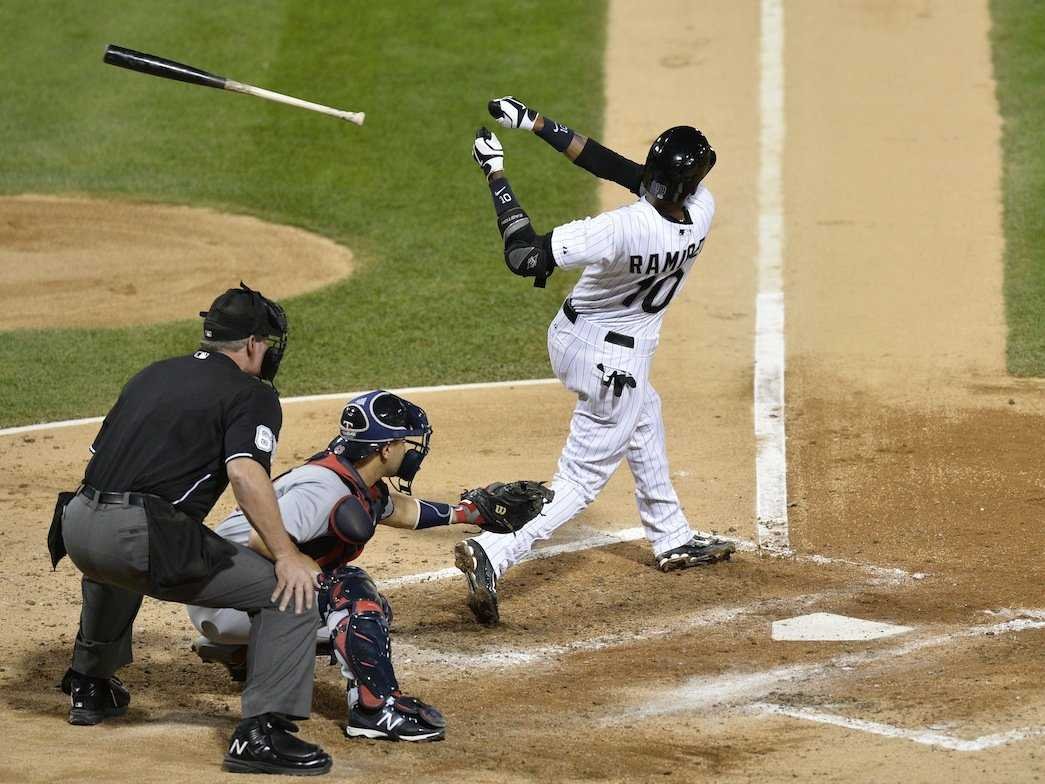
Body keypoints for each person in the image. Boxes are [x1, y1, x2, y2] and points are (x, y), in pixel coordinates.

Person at [457, 96, 736, 626]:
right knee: (582, 479)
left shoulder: (620, 228)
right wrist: (537, 123)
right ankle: (495, 551)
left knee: (644, 415)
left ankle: (672, 536)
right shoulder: (702, 211)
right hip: (614, 361)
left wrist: (495, 172)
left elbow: (525, 256)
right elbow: (617, 168)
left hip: (576, 340)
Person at [50, 283, 332, 776]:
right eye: (266, 343)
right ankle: (263, 732)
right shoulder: (252, 394)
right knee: (290, 592)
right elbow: (245, 473)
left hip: (76, 527)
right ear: (252, 344)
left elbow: (101, 457)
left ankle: (88, 683)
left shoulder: (153, 373)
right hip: (134, 538)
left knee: (118, 563)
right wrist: (286, 554)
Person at [186, 390, 542, 742]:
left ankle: (245, 652)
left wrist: (466, 513)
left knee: (368, 607)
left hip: (236, 594)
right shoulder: (323, 489)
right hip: (227, 600)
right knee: (352, 596)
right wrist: (311, 571)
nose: (411, 450)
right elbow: (261, 540)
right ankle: (375, 710)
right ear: (385, 449)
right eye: (405, 442)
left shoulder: (351, 475)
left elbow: (396, 509)